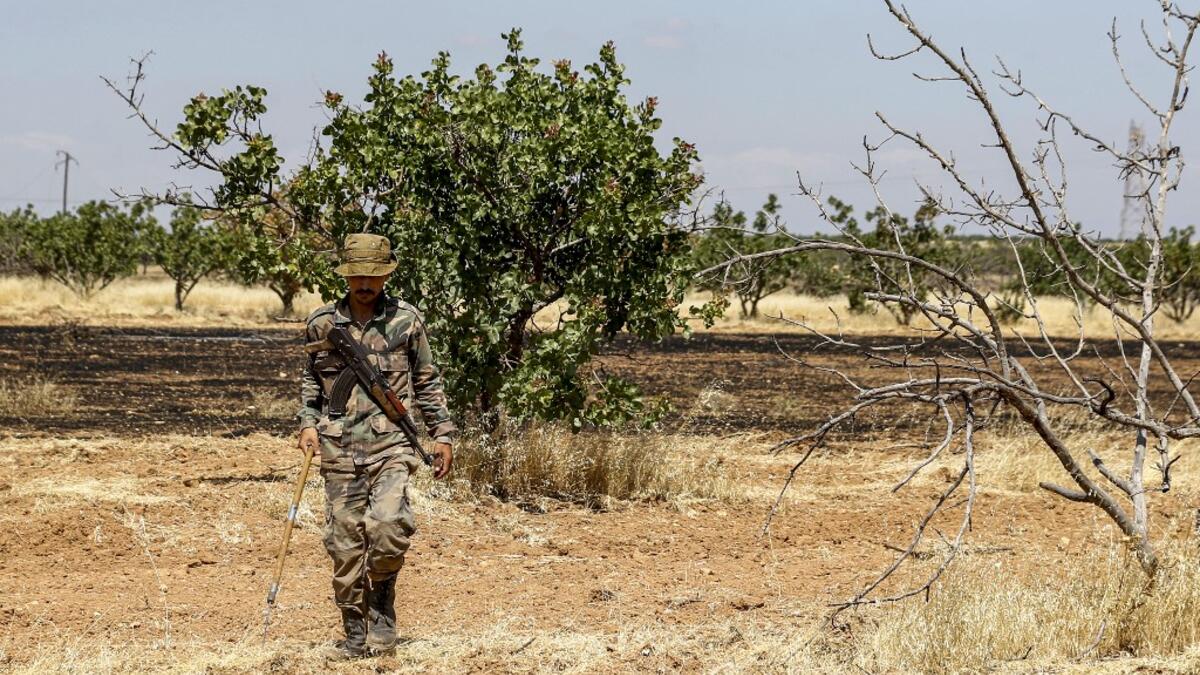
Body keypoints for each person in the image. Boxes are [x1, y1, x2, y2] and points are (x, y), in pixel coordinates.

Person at [297, 233, 455, 658]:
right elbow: (311, 381)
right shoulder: (322, 324)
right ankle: (354, 632)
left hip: (392, 446)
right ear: (347, 277)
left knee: (388, 526)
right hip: (338, 450)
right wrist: (308, 424)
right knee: (344, 544)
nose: (365, 284)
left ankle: (382, 602)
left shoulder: (406, 321)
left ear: (386, 275)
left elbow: (427, 381)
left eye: (374, 275)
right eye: (357, 276)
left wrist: (441, 434)